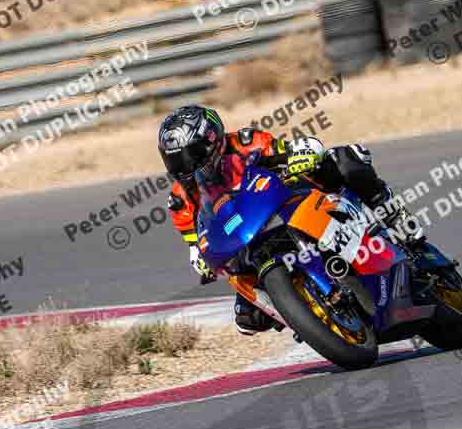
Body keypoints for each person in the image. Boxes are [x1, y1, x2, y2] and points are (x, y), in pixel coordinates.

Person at [157, 105, 415, 335]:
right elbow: (196, 240)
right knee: (248, 319)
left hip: (284, 203)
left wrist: (303, 154)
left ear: (211, 140)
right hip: (246, 239)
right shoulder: (181, 198)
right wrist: (199, 257)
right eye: (174, 160)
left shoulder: (246, 142)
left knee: (345, 160)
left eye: (189, 155)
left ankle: (390, 211)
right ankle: (307, 313)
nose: (183, 166)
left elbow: (292, 151)